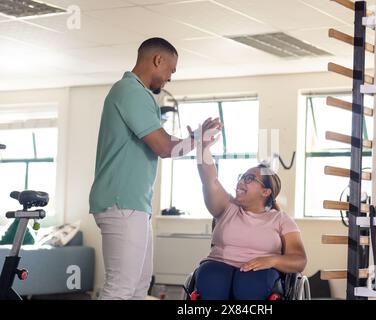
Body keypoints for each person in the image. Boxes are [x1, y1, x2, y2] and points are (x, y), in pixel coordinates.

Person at [88, 37, 220, 300]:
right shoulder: (131, 91)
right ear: (157, 60)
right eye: (170, 70)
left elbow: (164, 144)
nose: (169, 78)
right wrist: (197, 139)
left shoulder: (135, 93)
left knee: (139, 287)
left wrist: (196, 139)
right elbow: (163, 147)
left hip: (134, 205)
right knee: (120, 288)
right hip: (121, 202)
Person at [193, 130, 307, 300]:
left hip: (261, 271)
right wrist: (202, 147)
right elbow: (210, 180)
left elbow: (299, 260)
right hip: (218, 265)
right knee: (213, 283)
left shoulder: (281, 219)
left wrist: (272, 261)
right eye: (242, 177)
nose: (240, 182)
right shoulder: (227, 207)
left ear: (266, 191)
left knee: (249, 287)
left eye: (249, 179)